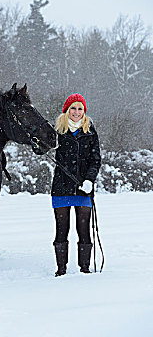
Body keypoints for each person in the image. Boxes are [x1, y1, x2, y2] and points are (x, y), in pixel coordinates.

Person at [51, 93, 101, 276]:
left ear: (84, 111)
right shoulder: (57, 133)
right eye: (73, 108)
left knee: (84, 230)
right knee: (61, 230)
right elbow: (42, 147)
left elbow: (96, 160)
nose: (77, 112)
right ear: (66, 110)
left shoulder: (90, 132)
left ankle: (84, 269)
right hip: (61, 188)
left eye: (80, 109)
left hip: (83, 189)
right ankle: (61, 269)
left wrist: (89, 180)